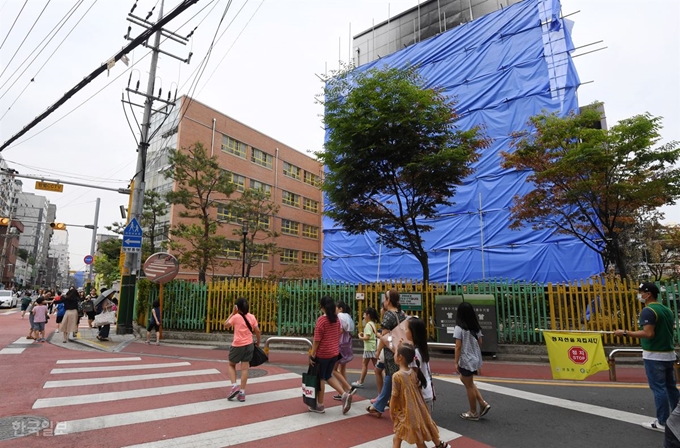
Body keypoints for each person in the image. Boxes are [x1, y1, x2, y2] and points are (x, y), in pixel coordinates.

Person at [614, 282, 679, 432]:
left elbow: (649, 334)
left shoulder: (648, 310)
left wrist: (625, 333)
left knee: (659, 389)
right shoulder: (666, 310)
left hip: (654, 355)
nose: (639, 295)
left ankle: (662, 422)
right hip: (669, 354)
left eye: (641, 292)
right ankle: (677, 419)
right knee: (671, 388)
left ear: (648, 294)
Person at [390, 343, 450, 448]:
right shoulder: (412, 372)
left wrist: (391, 411)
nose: (394, 355)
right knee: (416, 440)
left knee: (400, 439)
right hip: (416, 412)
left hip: (406, 413)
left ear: (400, 357)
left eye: (395, 353)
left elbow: (394, 396)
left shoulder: (397, 376)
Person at [308, 296, 353, 415]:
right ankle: (344, 395)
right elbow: (338, 334)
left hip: (323, 353)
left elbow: (317, 340)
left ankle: (320, 405)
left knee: (321, 378)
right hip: (334, 352)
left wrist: (312, 354)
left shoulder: (321, 321)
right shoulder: (336, 319)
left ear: (321, 307)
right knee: (328, 375)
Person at [367, 289, 406, 418]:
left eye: (385, 299)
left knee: (392, 378)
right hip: (401, 349)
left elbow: (385, 338)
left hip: (391, 352)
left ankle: (391, 406)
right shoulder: (402, 313)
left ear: (388, 301)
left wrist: (378, 351)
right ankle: (380, 405)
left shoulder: (388, 315)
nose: (384, 301)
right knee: (391, 377)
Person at [454, 301, 490, 421]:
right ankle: (482, 402)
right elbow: (480, 342)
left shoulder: (459, 328)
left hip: (466, 359)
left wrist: (456, 361)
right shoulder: (476, 328)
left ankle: (473, 412)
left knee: (468, 385)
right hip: (475, 358)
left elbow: (458, 346)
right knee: (466, 380)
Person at [223, 297, 261, 403]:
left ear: (237, 307)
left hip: (237, 345)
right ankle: (242, 393)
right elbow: (257, 330)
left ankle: (234, 386)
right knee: (245, 369)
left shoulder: (236, 317)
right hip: (249, 345)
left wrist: (232, 313)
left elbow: (225, 324)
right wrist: (258, 342)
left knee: (231, 364)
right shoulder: (252, 317)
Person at [407, 317, 435, 413]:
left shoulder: (414, 352)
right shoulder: (421, 349)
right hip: (427, 392)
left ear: (412, 332)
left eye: (406, 329)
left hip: (420, 395)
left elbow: (413, 376)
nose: (404, 331)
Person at [353, 307, 379, 389]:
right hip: (373, 346)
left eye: (364, 314)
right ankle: (384, 379)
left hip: (368, 348)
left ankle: (360, 382)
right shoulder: (372, 324)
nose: (363, 316)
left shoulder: (368, 325)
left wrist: (360, 337)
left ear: (368, 315)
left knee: (364, 364)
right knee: (377, 365)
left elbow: (367, 337)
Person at [334, 300, 355, 387]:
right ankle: (344, 390)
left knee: (334, 369)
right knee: (343, 368)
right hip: (347, 343)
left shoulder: (339, 316)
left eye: (336, 307)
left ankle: (346, 389)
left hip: (340, 343)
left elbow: (340, 330)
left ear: (340, 309)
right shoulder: (347, 316)